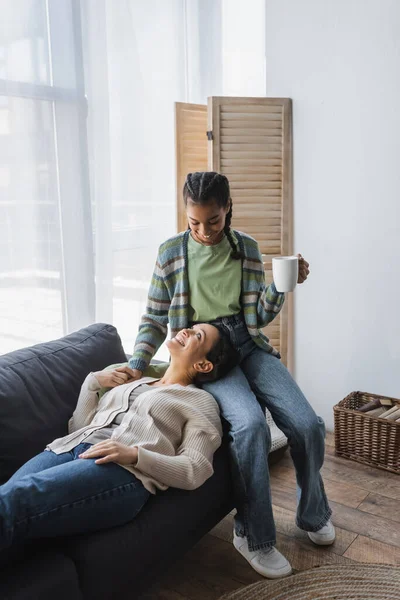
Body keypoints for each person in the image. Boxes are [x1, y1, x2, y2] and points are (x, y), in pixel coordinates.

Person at [122, 171, 335, 579]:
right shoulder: (170, 253)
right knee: (251, 426)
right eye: (194, 222)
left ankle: (314, 513)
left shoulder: (247, 249)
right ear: (185, 214)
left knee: (307, 424)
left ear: (228, 210)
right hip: (206, 351)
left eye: (214, 220)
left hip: (245, 340)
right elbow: (153, 316)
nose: (204, 231)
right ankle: (252, 535)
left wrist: (281, 287)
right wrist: (137, 362)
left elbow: (257, 316)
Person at [0, 323, 237, 554]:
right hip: (65, 449)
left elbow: (195, 469)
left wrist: (136, 455)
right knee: (7, 500)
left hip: (120, 469)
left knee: (14, 501)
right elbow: (80, 427)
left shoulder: (200, 402)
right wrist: (91, 384)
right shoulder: (136, 381)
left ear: (203, 364)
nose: (187, 330)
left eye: (198, 335)